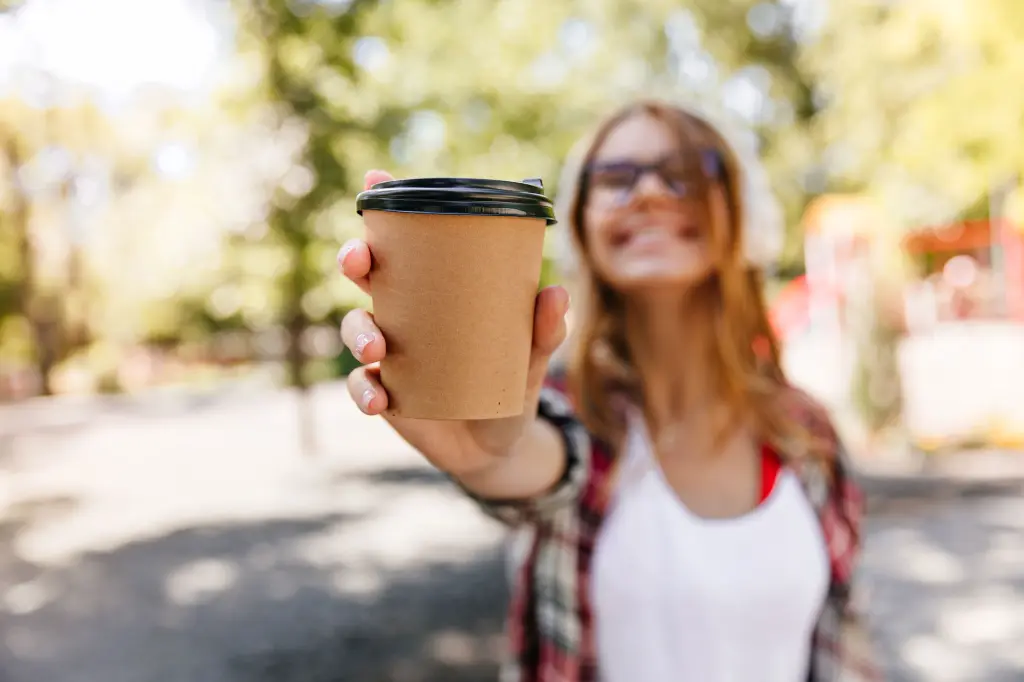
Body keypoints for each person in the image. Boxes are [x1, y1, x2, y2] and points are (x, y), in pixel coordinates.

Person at [338, 100, 882, 682]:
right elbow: (536, 457)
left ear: (740, 213)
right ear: (579, 224)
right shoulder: (568, 413)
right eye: (615, 178)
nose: (647, 192)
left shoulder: (808, 433)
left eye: (684, 172)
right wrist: (489, 453)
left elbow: (846, 640)